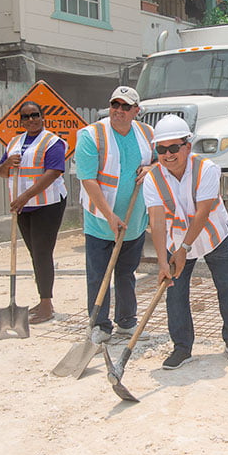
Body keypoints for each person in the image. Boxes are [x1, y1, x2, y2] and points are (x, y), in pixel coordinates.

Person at [143, 114, 228, 369]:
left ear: (187, 146)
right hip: (176, 241)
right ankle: (182, 347)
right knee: (175, 292)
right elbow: (156, 221)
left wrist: (185, 249)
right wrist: (163, 262)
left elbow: (202, 213)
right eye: (162, 149)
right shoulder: (152, 178)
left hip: (213, 236)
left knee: (227, 287)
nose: (168, 154)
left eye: (174, 148)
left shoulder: (207, 169)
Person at [76, 86, 154, 341]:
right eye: (115, 105)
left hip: (134, 219)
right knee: (99, 274)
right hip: (100, 221)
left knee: (125, 273)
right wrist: (110, 216)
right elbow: (88, 179)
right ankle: (99, 325)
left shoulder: (147, 133)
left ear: (136, 111)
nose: (118, 111)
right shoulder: (91, 136)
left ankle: (126, 322)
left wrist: (151, 168)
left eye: (125, 107)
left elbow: (160, 160)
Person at [0, 101, 67, 325]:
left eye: (35, 115)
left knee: (42, 252)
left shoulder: (53, 142)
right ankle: (43, 299)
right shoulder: (14, 143)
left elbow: (53, 173)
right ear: (21, 121)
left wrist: (25, 196)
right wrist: (7, 163)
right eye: (25, 117)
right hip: (22, 206)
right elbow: (1, 172)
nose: (31, 120)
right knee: (34, 252)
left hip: (48, 205)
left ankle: (47, 303)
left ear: (42, 116)